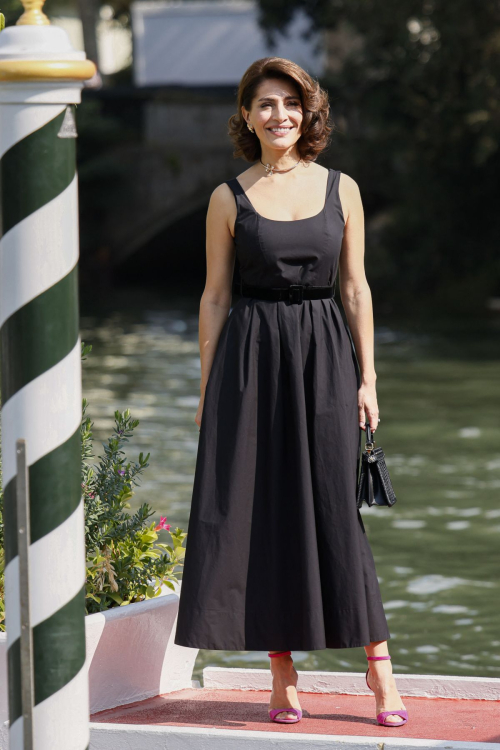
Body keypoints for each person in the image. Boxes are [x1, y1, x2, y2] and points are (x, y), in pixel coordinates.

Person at [174, 56, 408, 729]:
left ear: (309, 113)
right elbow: (215, 296)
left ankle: (379, 665)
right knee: (261, 515)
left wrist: (368, 379)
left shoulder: (342, 189)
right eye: (265, 104)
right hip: (249, 359)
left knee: (339, 511)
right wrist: (206, 387)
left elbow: (356, 288)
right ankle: (283, 674)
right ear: (246, 116)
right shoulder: (229, 197)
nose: (279, 115)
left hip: (326, 355)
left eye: (291, 103)